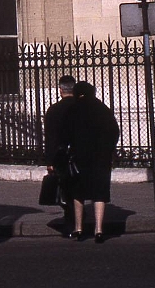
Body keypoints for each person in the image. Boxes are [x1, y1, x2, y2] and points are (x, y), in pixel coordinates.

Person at [64, 81, 120, 243]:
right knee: (100, 192)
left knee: (78, 192)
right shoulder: (102, 109)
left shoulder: (73, 109)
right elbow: (114, 132)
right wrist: (107, 149)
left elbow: (65, 134)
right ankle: (99, 230)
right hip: (101, 157)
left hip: (79, 157)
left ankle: (79, 228)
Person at [43, 74, 78, 236]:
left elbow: (50, 138)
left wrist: (49, 161)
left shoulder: (53, 110)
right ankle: (78, 219)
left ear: (60, 90)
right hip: (80, 154)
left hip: (61, 156)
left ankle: (70, 220)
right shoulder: (82, 107)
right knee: (79, 188)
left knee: (64, 189)